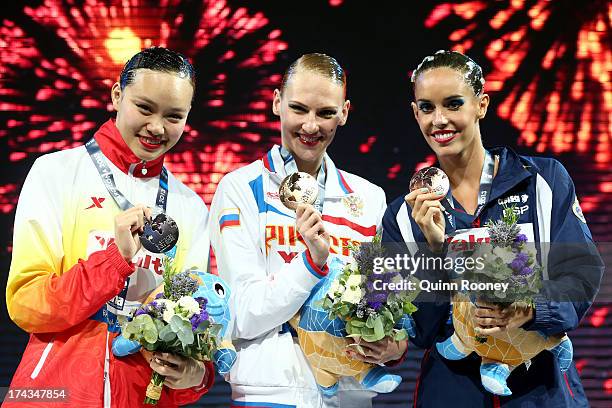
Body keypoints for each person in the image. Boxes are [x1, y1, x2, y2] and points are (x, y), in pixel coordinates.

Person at [382, 50, 604, 407]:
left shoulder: (542, 181)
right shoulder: (403, 217)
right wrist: (436, 251)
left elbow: (581, 275)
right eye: (426, 107)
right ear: (415, 113)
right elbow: (421, 329)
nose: (439, 120)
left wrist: (530, 309)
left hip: (541, 392)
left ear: (481, 104)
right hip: (452, 394)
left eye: (453, 104)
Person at [5, 47, 214, 407]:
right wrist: (115, 260)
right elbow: (26, 304)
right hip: (57, 392)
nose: (156, 127)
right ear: (117, 95)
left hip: (144, 396)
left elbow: (197, 321)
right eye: (145, 108)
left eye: (174, 116)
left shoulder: (190, 205)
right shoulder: (55, 172)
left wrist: (195, 375)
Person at [209, 53, 403, 407]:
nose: (311, 126)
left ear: (344, 112)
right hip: (271, 392)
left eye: (325, 113)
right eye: (299, 109)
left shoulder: (369, 197)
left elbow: (384, 305)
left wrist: (391, 346)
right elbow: (242, 313)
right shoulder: (240, 187)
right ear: (276, 102)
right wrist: (312, 264)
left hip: (351, 396)